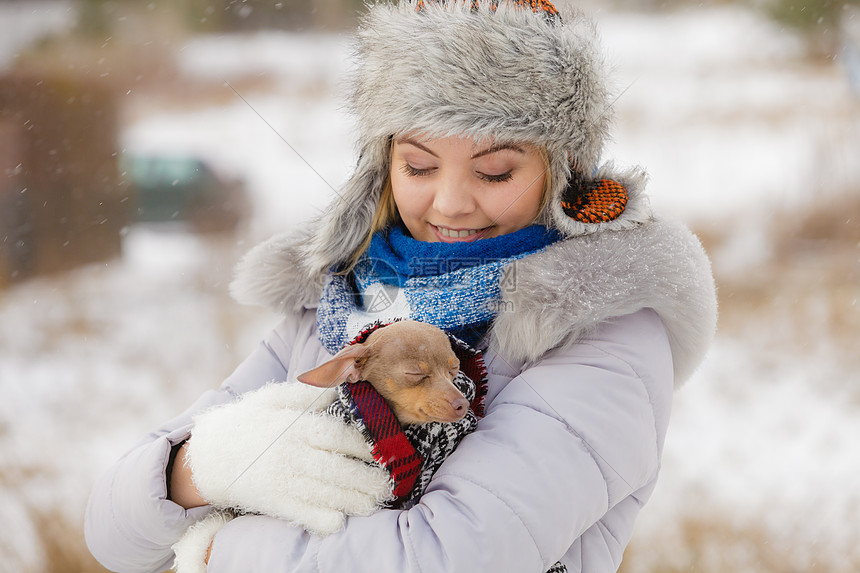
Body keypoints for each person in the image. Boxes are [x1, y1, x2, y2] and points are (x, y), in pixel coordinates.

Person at [84, 0, 718, 571]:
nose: (450, 202)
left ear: (565, 170)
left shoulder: (600, 329)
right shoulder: (337, 311)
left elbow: (449, 556)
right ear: (381, 166)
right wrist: (198, 467)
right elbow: (114, 534)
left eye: (495, 171)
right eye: (418, 165)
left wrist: (216, 550)